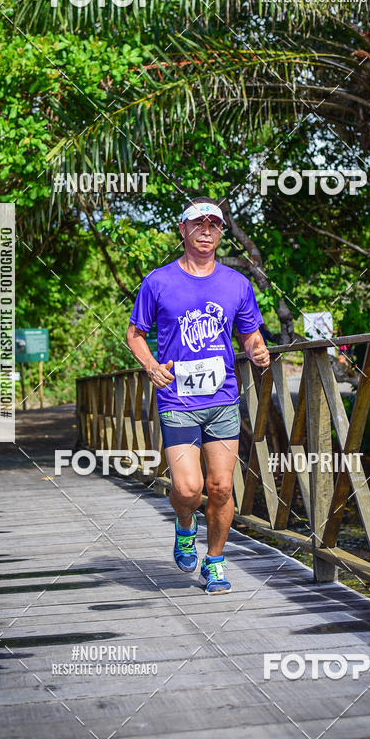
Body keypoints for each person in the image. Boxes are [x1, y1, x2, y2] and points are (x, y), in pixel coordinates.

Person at [126, 197, 271, 593]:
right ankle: (185, 525)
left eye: (215, 225)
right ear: (183, 229)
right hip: (178, 399)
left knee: (222, 487)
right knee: (189, 489)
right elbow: (134, 334)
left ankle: (216, 562)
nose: (207, 231)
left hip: (222, 398)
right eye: (199, 223)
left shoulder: (236, 284)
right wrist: (151, 366)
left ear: (221, 233)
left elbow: (250, 335)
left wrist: (257, 349)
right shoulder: (159, 282)